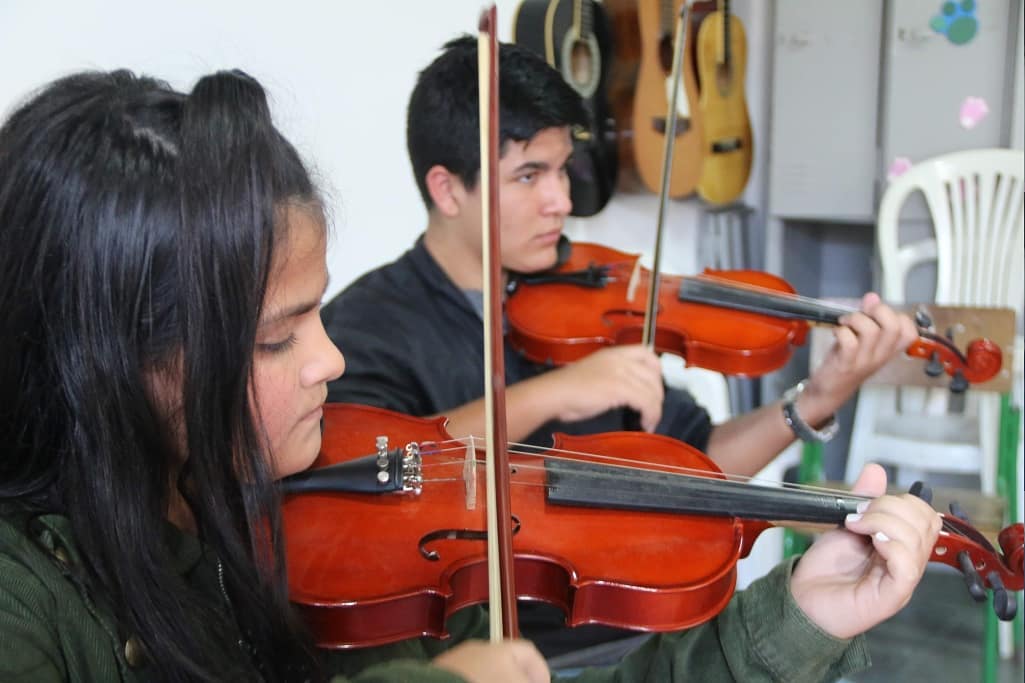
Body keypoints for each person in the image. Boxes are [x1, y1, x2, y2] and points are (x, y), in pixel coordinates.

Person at [0, 69, 940, 683]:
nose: (330, 360)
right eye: (279, 337)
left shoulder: (256, 504)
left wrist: (798, 614)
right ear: (115, 354)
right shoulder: (30, 605)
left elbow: (687, 470)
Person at [320, 35, 923, 662]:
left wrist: (819, 397)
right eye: (529, 175)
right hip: (530, 661)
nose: (562, 201)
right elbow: (365, 480)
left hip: (663, 629)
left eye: (561, 169)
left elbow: (701, 470)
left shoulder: (583, 299)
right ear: (447, 190)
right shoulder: (369, 329)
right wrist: (552, 393)